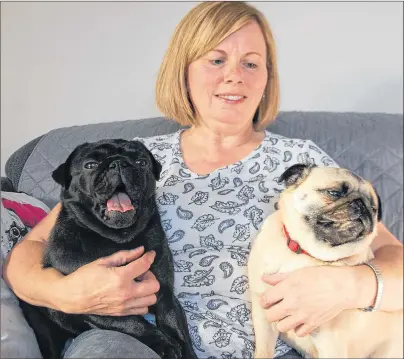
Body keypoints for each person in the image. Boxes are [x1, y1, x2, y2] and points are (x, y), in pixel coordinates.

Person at [3, 2, 403, 359]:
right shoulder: (132, 160)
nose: (235, 76)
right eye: (215, 60)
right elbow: (33, 247)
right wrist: (62, 293)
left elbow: (393, 258)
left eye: (251, 62)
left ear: (267, 76)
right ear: (184, 71)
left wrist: (350, 287)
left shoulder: (304, 163)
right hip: (143, 344)